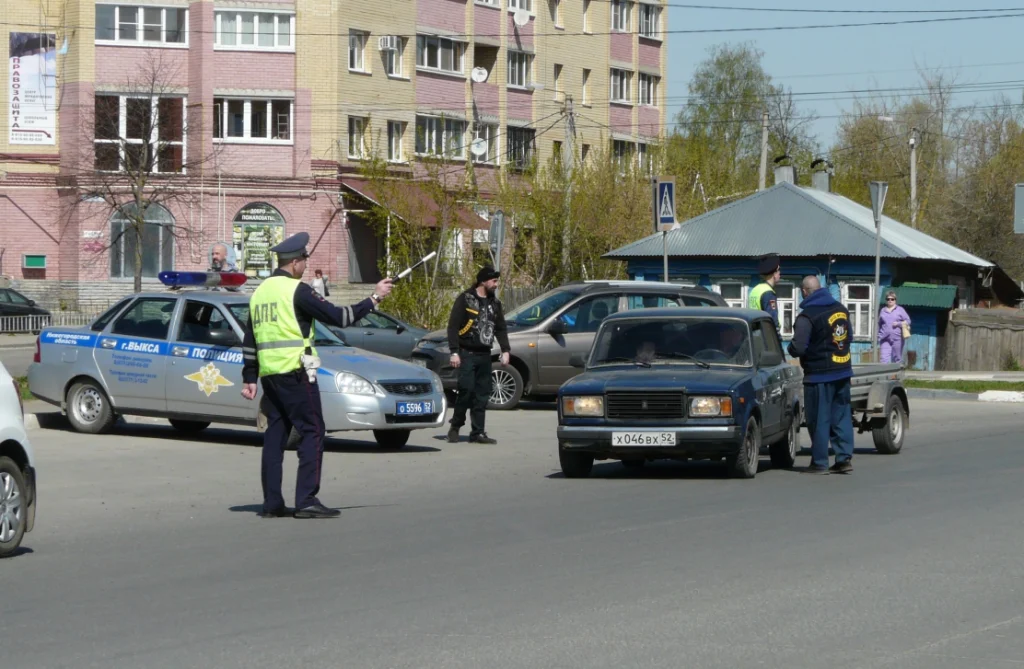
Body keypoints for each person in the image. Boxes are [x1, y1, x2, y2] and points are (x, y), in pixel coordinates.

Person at [240, 232, 393, 518]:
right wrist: (374, 298)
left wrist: (249, 376)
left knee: (275, 436)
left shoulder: (260, 292)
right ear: (295, 262)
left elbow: (250, 339)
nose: (306, 266)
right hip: (297, 371)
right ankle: (307, 500)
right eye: (305, 260)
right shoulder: (296, 290)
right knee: (312, 431)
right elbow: (340, 317)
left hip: (270, 374)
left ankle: (272, 503)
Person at [787, 275, 855, 475]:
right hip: (842, 372)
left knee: (818, 419)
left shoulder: (807, 316)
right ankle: (843, 459)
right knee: (841, 416)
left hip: (818, 376)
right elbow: (848, 336)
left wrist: (791, 349)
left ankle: (820, 462)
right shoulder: (841, 310)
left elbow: (798, 347)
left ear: (805, 291)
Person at [446, 266, 511, 445]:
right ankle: (456, 426)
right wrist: (454, 352)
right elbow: (452, 327)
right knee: (465, 391)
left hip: (484, 354)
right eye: (494, 281)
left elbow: (501, 328)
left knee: (482, 394)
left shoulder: (494, 304)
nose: (496, 284)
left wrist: (506, 350)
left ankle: (478, 432)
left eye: (497, 281)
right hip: (466, 353)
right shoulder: (466, 299)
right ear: (483, 281)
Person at [748, 253, 781, 328]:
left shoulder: (755, 289)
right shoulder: (768, 292)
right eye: (779, 270)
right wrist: (777, 337)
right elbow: (772, 320)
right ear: (774, 273)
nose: (780, 273)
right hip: (766, 336)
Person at [878, 290, 911, 364]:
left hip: (897, 338)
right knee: (883, 359)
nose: (890, 301)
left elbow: (908, 321)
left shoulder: (900, 310)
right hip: (884, 338)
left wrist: (898, 324)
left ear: (895, 300)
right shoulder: (883, 310)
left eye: (892, 299)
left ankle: (895, 375)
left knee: (897, 358)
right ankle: (884, 375)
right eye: (888, 299)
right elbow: (879, 324)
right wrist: (879, 335)